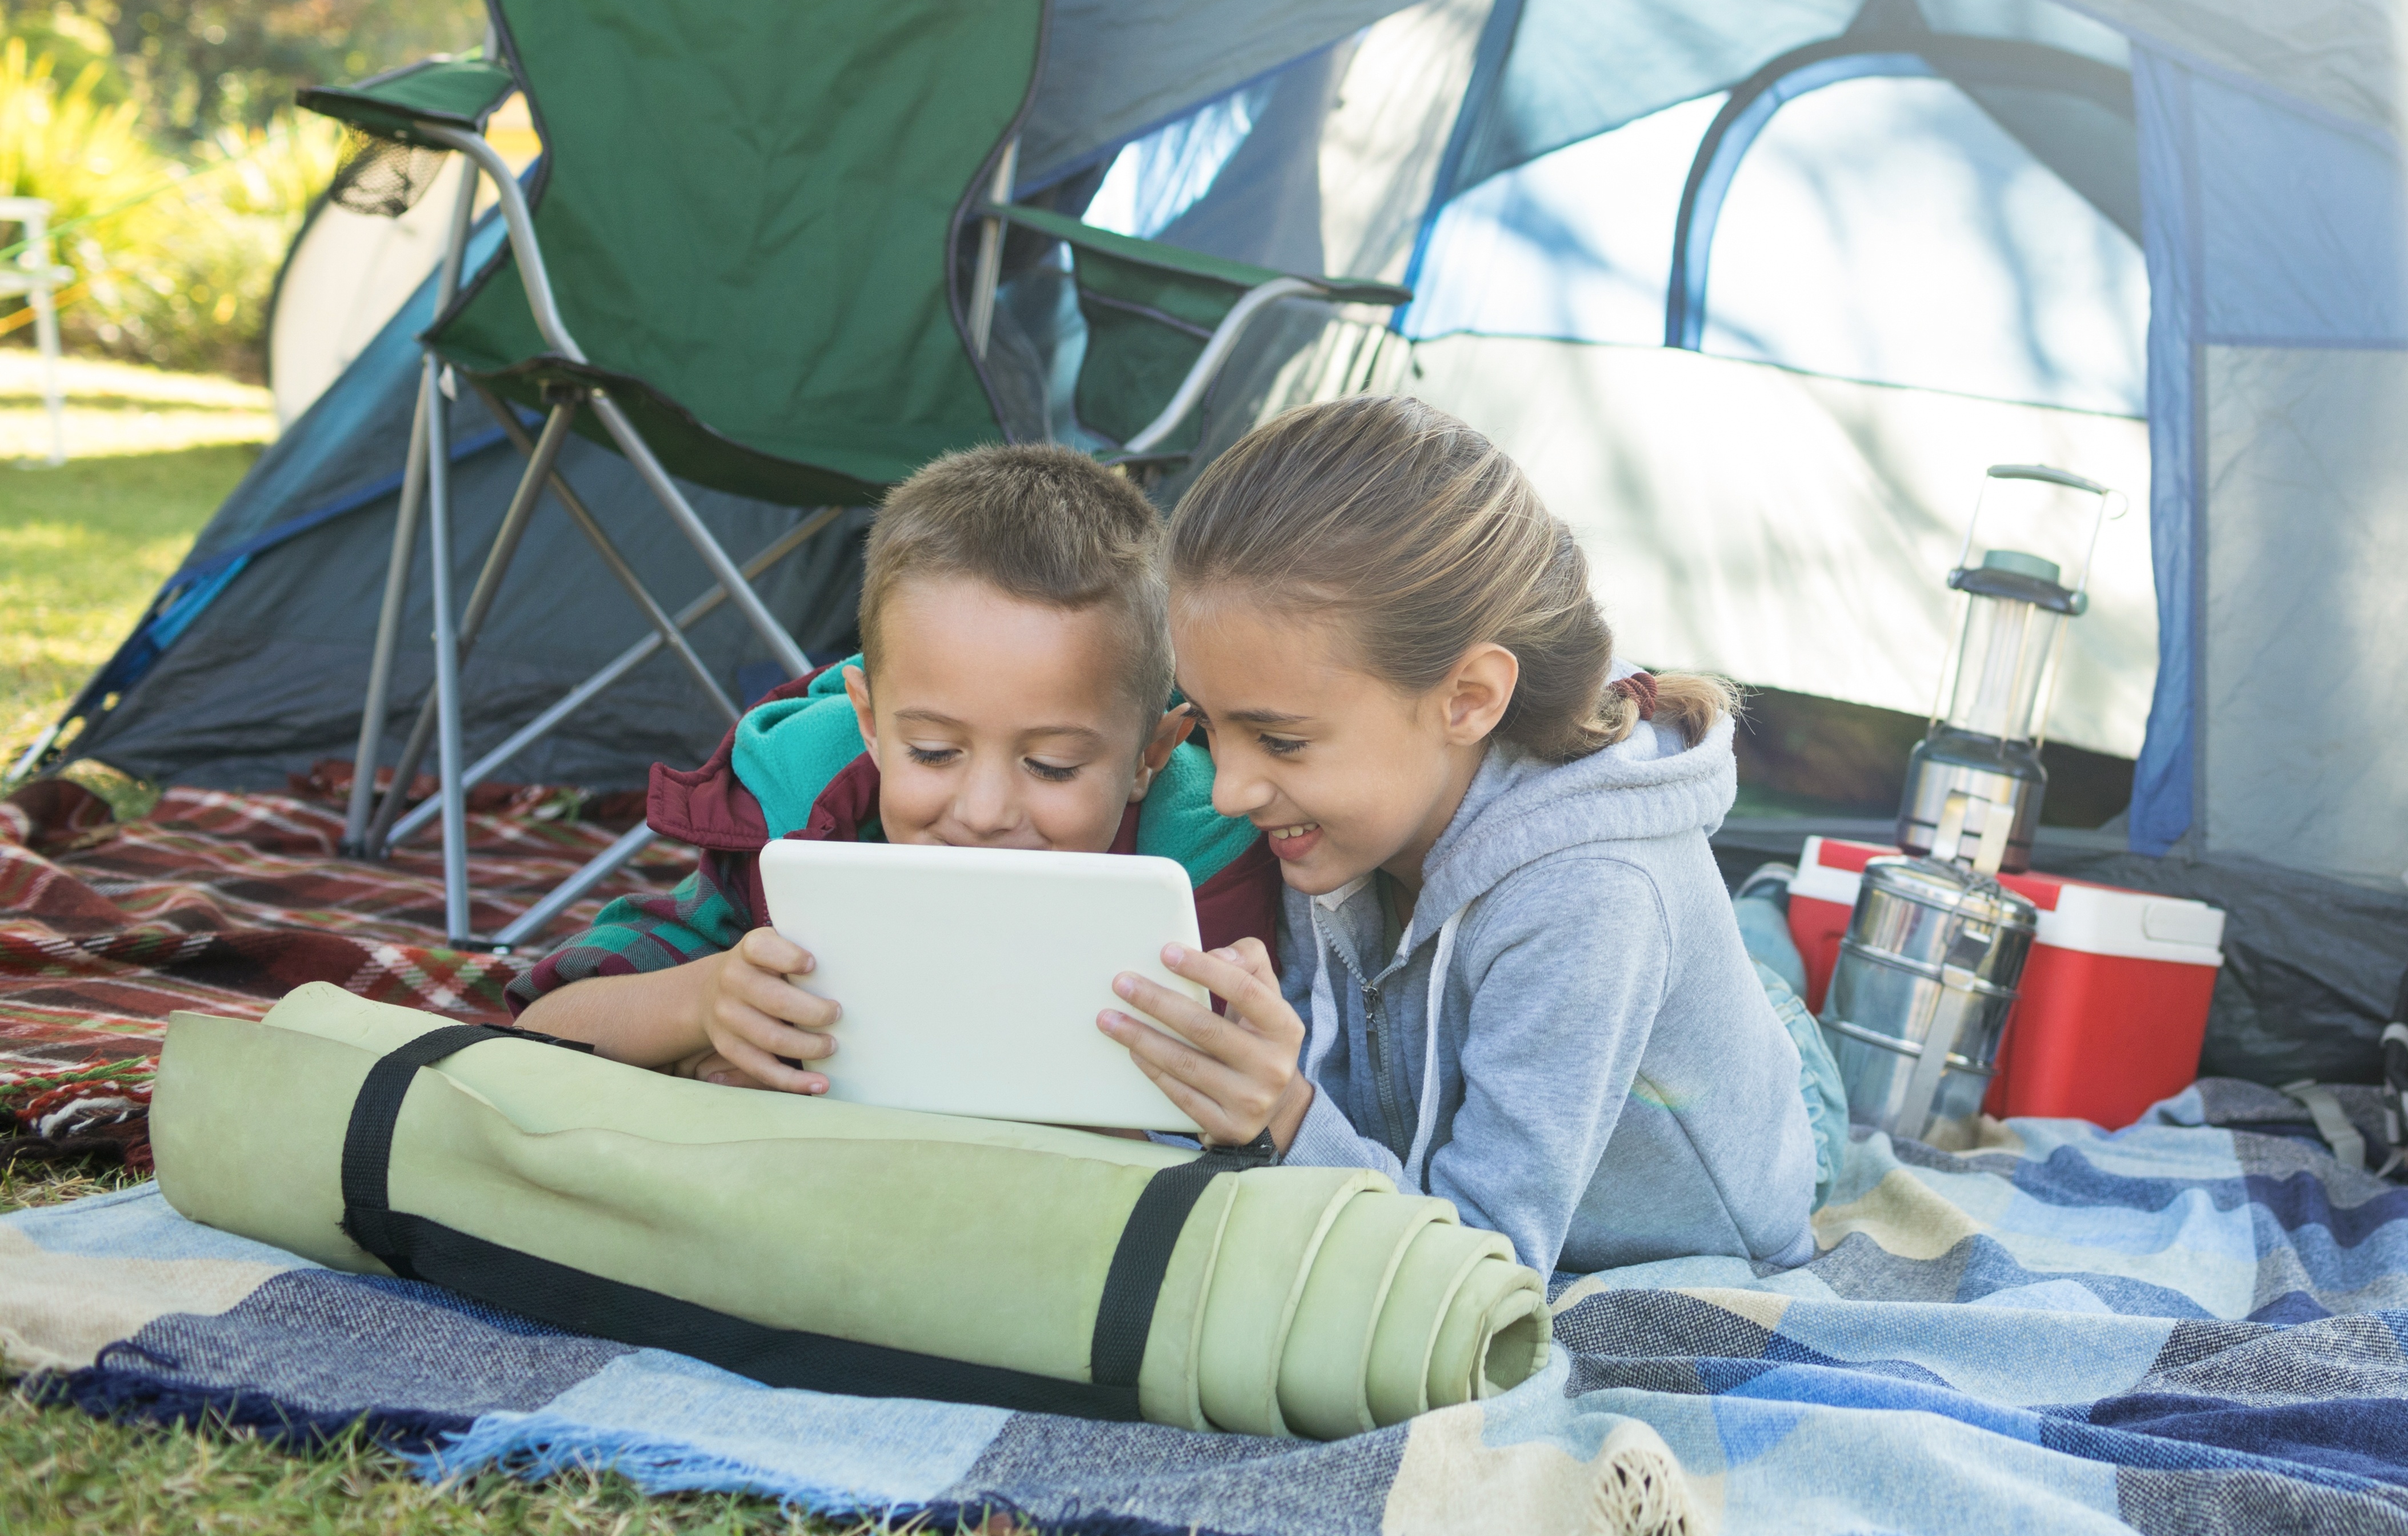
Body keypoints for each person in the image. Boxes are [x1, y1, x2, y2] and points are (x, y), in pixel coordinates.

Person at [1162, 393, 1833, 1276]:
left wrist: (1284, 1116)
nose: (1236, 788)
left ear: (1469, 700)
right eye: (1209, 725)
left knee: (1779, 999)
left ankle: (1769, 910)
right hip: (1614, 1015)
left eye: (1280, 740)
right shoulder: (1338, 814)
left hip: (1759, 1127)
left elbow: (1488, 1262)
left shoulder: (1593, 896)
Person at [513, 445, 1298, 1149]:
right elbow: (539, 1028)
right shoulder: (807, 819)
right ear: (871, 724)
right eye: (932, 752)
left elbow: (1229, 1129)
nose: (984, 812)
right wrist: (705, 1003)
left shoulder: (1201, 871)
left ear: (1149, 757)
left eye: (1054, 765)